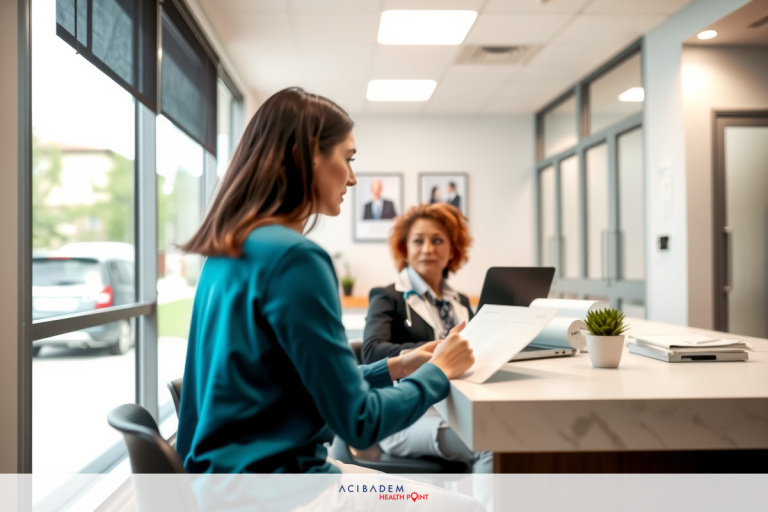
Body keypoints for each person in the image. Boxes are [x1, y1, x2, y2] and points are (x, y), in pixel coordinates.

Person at [175, 88, 475, 474]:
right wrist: (439, 372)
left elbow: (303, 388)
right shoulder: (297, 258)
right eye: (347, 159)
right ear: (307, 156)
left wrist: (397, 366)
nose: (352, 179)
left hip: (221, 481)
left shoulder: (228, 249)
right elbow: (360, 422)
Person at [362, 203, 492, 473]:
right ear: (404, 249)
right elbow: (372, 352)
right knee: (489, 442)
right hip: (404, 415)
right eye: (418, 241)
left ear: (453, 249)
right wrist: (439, 352)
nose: (427, 249)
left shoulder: (462, 302)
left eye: (437, 240)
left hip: (458, 408)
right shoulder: (388, 296)